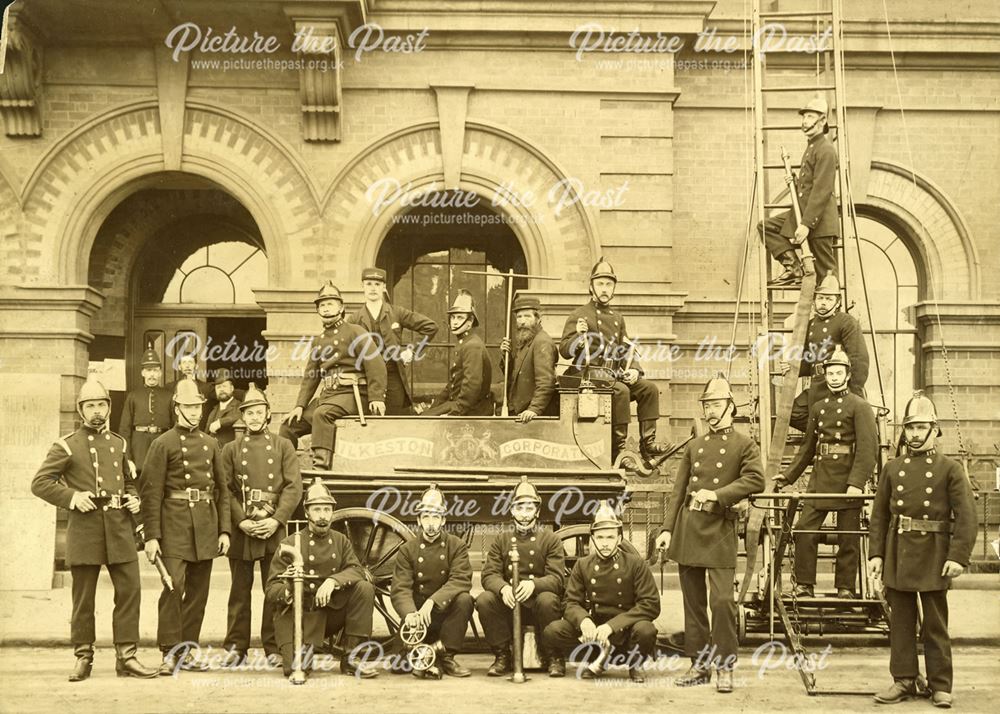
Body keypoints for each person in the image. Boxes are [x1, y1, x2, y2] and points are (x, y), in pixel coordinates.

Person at [31, 379, 158, 681]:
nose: (97, 411)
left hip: (119, 530)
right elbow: (40, 483)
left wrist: (134, 496)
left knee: (130, 592)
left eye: (101, 405)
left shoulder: (119, 443)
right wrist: (72, 497)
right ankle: (83, 657)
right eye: (90, 406)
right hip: (85, 531)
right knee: (83, 598)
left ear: (109, 408)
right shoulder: (66, 445)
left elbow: (127, 479)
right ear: (81, 410)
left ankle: (126, 657)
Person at [655, 375, 764, 692]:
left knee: (721, 602)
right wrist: (666, 530)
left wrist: (719, 495)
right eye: (707, 406)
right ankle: (699, 664)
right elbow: (677, 492)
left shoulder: (745, 444)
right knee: (693, 604)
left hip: (719, 529)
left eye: (716, 405)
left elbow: (756, 480)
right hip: (689, 529)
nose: (711, 411)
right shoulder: (695, 445)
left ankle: (725, 666)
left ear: (730, 406)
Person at [869, 393, 977, 709]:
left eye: (922, 427)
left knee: (935, 623)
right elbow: (879, 516)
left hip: (935, 554)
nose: (915, 434)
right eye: (911, 428)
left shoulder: (950, 469)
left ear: (935, 429)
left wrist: (958, 557)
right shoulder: (892, 469)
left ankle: (940, 684)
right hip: (899, 551)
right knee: (900, 622)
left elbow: (967, 516)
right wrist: (876, 554)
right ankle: (903, 679)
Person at [140, 380, 231, 675]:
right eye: (188, 407)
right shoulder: (162, 443)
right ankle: (169, 650)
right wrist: (151, 536)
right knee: (173, 586)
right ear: (178, 408)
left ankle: (188, 650)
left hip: (205, 525)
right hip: (174, 526)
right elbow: (150, 493)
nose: (194, 413)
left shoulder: (210, 443)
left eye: (197, 407)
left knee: (198, 593)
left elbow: (223, 491)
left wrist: (224, 531)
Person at [774, 347, 877, 599]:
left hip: (847, 480)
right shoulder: (818, 408)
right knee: (803, 530)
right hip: (820, 479)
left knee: (847, 537)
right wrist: (788, 476)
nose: (833, 377)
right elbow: (808, 448)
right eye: (830, 373)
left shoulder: (860, 406)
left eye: (838, 372)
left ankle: (845, 588)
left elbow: (868, 450)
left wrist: (857, 482)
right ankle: (805, 586)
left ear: (847, 375)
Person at [559, 257, 671, 469]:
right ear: (591, 286)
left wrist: (635, 371)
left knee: (649, 389)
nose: (604, 289)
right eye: (600, 283)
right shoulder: (579, 315)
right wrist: (579, 337)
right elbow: (564, 351)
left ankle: (647, 445)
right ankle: (618, 450)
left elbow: (626, 349)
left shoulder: (618, 318)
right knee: (620, 391)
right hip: (588, 375)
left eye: (609, 284)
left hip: (612, 375)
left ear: (614, 288)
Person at [220, 383, 303, 667]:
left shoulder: (283, 446)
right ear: (243, 416)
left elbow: (294, 487)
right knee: (239, 591)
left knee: (275, 589)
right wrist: (240, 520)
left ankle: (274, 647)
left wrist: (276, 519)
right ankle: (235, 647)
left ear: (268, 414)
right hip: (243, 526)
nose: (254, 417)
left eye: (259, 412)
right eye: (249, 413)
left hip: (272, 527)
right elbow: (225, 490)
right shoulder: (231, 449)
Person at [264, 480, 379, 679]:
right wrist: (290, 590)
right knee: (296, 669)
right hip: (299, 617)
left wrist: (332, 581)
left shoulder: (340, 540)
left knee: (364, 588)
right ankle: (297, 651)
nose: (322, 516)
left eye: (327, 509)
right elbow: (271, 589)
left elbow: (356, 569)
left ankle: (352, 658)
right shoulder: (290, 543)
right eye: (316, 510)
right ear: (307, 512)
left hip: (330, 612)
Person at [543, 501, 660, 682]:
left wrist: (612, 626)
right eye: (600, 537)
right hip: (595, 630)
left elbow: (650, 604)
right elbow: (571, 602)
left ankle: (635, 663)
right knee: (553, 630)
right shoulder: (583, 565)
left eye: (610, 537)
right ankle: (596, 657)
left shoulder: (635, 564)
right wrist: (584, 621)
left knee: (646, 630)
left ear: (619, 539)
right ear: (593, 539)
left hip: (627, 629)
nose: (605, 543)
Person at [281, 281, 387, 469]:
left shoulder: (356, 331)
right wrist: (299, 405)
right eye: (322, 305)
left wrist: (377, 397)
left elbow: (376, 365)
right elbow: (311, 376)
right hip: (329, 396)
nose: (326, 308)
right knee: (289, 425)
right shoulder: (319, 340)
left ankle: (321, 468)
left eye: (330, 304)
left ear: (341, 307)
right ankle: (288, 469)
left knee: (322, 414)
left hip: (353, 395)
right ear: (318, 311)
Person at [476, 477, 566, 677]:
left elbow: (558, 579)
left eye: (529, 508)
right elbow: (489, 574)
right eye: (519, 508)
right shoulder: (501, 539)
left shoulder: (550, 540)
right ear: (512, 510)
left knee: (548, 599)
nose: (524, 515)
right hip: (509, 606)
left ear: (537, 511)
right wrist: (503, 588)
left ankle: (553, 656)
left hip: (538, 607)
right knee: (485, 600)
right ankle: (502, 656)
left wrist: (533, 585)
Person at [390, 484, 474, 678]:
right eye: (426, 516)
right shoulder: (407, 549)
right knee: (398, 667)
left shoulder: (456, 545)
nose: (430, 523)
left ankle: (447, 656)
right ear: (419, 519)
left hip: (446, 613)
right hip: (417, 615)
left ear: (443, 520)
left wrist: (432, 602)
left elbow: (460, 579)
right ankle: (429, 653)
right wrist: (410, 614)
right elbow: (400, 587)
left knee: (465, 599)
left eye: (435, 517)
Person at [757, 95, 839, 286]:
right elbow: (809, 187)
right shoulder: (812, 147)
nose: (804, 122)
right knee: (766, 226)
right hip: (803, 214)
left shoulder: (825, 149)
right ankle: (794, 268)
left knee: (825, 277)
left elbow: (822, 190)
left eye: (810, 117)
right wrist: (794, 182)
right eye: (804, 117)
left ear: (823, 120)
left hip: (819, 221)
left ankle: (832, 313)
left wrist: (806, 224)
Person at [347, 266, 439, 415]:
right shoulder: (354, 319)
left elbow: (430, 327)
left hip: (393, 378)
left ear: (383, 287)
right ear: (362, 286)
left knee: (394, 420)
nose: (373, 288)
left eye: (377, 284)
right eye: (369, 284)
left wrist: (411, 351)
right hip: (365, 379)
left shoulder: (396, 313)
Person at [787, 275, 869, 432]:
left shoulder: (846, 322)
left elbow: (859, 361)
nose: (824, 303)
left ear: (837, 302)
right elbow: (808, 360)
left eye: (829, 299)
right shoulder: (810, 325)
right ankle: (826, 432)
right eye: (820, 298)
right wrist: (792, 367)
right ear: (814, 301)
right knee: (792, 413)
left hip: (840, 385)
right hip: (817, 385)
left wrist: (851, 391)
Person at [423, 290, 493, 416]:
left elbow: (471, 387)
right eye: (453, 317)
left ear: (470, 321)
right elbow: (452, 386)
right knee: (424, 417)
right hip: (459, 404)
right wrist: (434, 407)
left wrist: (453, 414)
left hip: (472, 411)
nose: (454, 322)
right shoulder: (464, 343)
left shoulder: (473, 346)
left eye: (460, 317)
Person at [499, 294, 558, 422]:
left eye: (527, 316)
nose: (522, 321)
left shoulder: (542, 342)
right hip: (519, 411)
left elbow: (546, 382)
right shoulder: (525, 341)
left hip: (531, 416)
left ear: (538, 319)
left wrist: (534, 409)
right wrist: (506, 357)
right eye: (519, 316)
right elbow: (514, 377)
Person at [119, 347, 172, 474]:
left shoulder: (169, 396)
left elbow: (175, 426)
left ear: (160, 373)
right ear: (143, 373)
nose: (152, 374)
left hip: (162, 443)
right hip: (139, 447)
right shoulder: (133, 396)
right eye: (148, 370)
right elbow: (124, 429)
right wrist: (128, 457)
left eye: (155, 370)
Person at [165, 352, 214, 430]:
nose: (187, 366)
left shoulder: (207, 388)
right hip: (176, 434)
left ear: (196, 366)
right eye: (184, 362)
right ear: (179, 367)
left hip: (199, 434)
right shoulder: (169, 388)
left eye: (190, 362)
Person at [205, 368, 242, 446]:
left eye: (224, 386)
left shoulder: (240, 406)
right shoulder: (213, 410)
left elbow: (241, 415)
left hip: (231, 455)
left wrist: (220, 422)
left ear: (232, 388)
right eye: (218, 387)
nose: (221, 389)